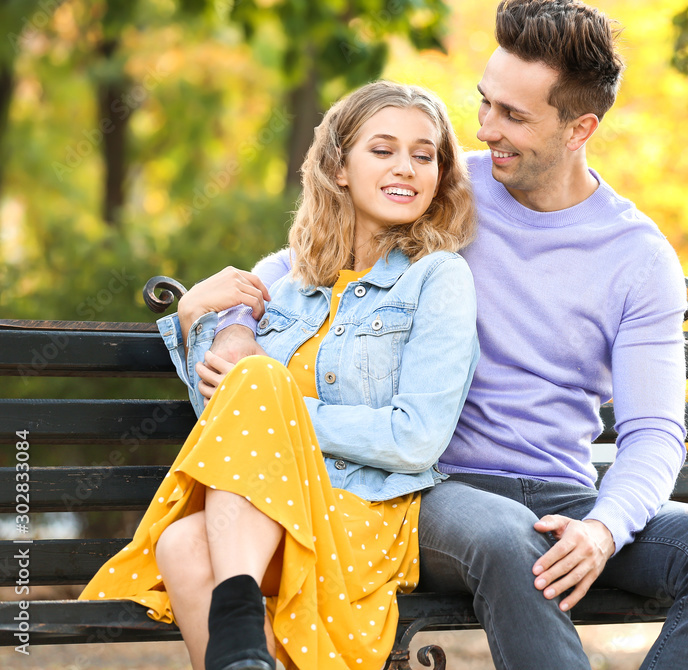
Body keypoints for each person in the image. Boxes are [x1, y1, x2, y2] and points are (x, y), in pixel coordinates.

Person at [207, 1, 688, 668]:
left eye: (513, 116)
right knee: (508, 537)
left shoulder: (637, 256)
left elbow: (654, 434)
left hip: (563, 496)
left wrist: (600, 529)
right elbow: (299, 270)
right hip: (432, 488)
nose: (483, 129)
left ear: (578, 127)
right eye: (485, 104)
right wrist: (226, 320)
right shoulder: (444, 192)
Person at [79, 80, 480, 670]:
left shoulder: (437, 278)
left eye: (424, 155)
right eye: (383, 149)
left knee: (262, 386)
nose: (407, 167)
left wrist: (277, 412)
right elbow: (224, 432)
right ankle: (240, 635)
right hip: (262, 511)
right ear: (339, 167)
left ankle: (235, 618)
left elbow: (416, 438)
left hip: (365, 512)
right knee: (182, 543)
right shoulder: (279, 278)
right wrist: (194, 320)